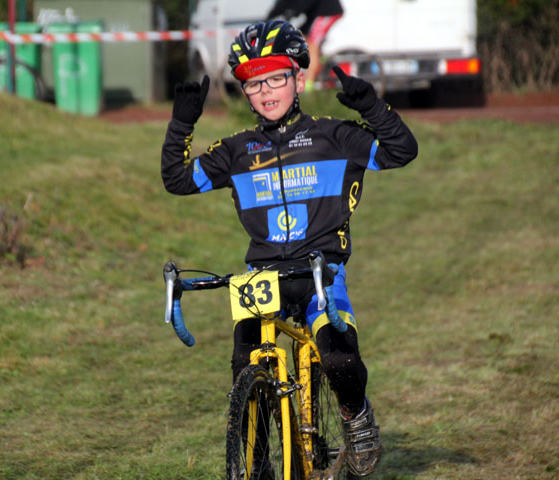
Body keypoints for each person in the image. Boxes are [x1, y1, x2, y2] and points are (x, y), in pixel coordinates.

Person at [161, 19, 418, 478]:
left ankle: (356, 419)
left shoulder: (334, 136)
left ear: (298, 79)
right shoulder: (237, 150)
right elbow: (177, 180)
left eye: (276, 77)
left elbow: (401, 151)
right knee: (245, 366)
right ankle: (257, 466)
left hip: (322, 271)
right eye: (253, 83)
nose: (265, 91)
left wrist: (373, 108)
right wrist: (182, 123)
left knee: (338, 358)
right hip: (262, 276)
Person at [268, 0, 344, 91]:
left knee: (313, 44)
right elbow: (282, 4)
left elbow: (303, 3)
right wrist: (268, 19)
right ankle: (317, 63)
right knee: (299, 35)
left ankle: (309, 84)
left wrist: (294, 11)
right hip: (315, 12)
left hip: (327, 11)